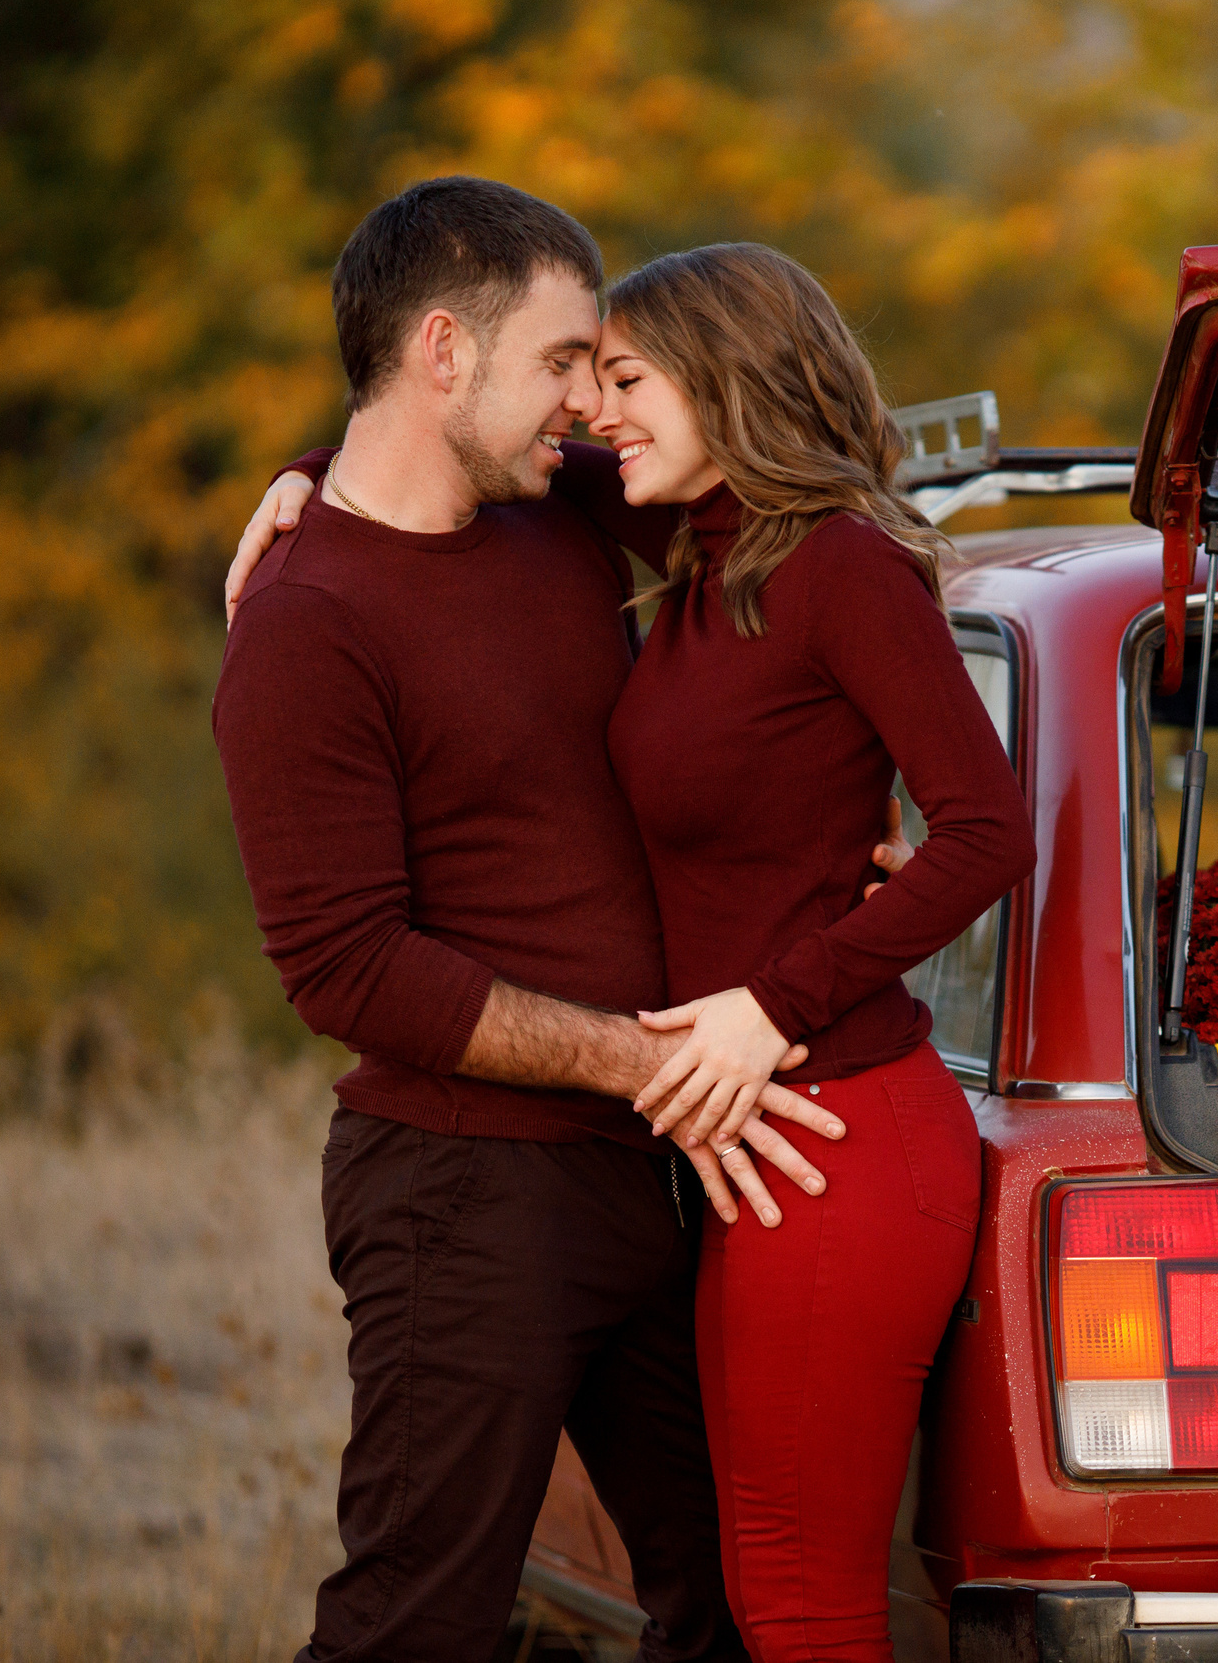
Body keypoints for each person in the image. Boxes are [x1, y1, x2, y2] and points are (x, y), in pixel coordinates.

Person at [234, 240, 1036, 1663]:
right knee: (429, 1625)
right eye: (567, 366)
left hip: (721, 1147)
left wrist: (782, 975)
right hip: (496, 1181)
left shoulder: (653, 524)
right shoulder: (326, 614)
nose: (587, 410)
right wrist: (305, 480)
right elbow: (344, 967)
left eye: (613, 373)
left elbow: (966, 805)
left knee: (749, 1605)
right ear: (443, 352)